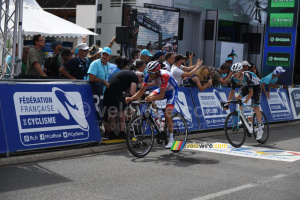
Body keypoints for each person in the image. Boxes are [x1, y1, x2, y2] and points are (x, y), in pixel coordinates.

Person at [125, 61, 179, 149]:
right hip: (162, 89)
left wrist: (151, 99)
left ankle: (172, 139)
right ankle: (158, 117)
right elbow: (141, 91)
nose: (149, 75)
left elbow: (161, 95)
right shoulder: (148, 76)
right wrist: (131, 98)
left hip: (172, 91)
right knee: (149, 96)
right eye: (148, 72)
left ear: (157, 72)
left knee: (167, 114)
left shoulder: (164, 76)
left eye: (151, 73)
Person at [224, 62, 263, 140]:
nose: (234, 74)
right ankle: (242, 117)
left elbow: (251, 93)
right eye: (233, 72)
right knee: (237, 97)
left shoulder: (247, 76)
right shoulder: (233, 78)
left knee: (256, 107)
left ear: (241, 71)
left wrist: (245, 103)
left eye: (236, 72)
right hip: (246, 85)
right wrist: (227, 104)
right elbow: (232, 92)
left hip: (256, 86)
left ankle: (260, 127)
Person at [103, 70, 141, 139]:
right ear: (139, 77)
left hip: (109, 91)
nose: (139, 83)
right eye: (140, 81)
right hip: (116, 91)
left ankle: (112, 133)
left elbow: (127, 89)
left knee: (113, 112)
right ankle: (122, 132)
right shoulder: (134, 77)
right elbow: (132, 92)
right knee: (123, 112)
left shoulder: (128, 74)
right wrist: (139, 100)